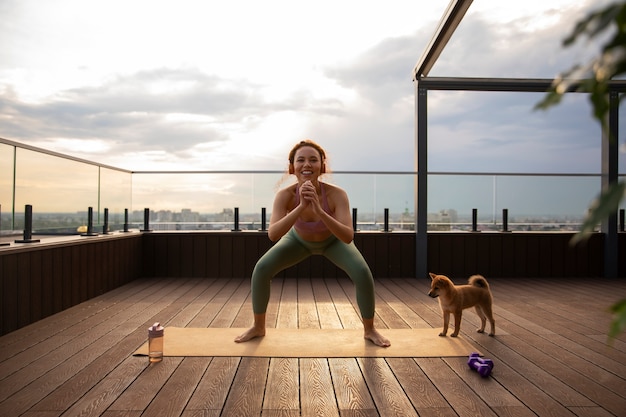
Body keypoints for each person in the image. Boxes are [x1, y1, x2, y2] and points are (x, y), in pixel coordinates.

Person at [235, 139, 390, 347]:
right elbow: (273, 234)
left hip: (333, 241)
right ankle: (258, 326)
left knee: (362, 274)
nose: (307, 164)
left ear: (322, 167)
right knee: (262, 268)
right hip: (298, 241)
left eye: (313, 160)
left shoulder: (337, 195)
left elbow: (347, 236)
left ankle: (370, 330)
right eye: (301, 160)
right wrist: (300, 207)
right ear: (292, 168)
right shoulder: (285, 195)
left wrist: (319, 210)